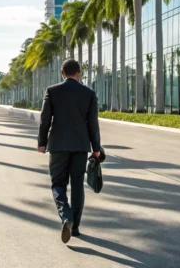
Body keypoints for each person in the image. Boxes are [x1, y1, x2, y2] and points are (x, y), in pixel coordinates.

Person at [38, 58, 102, 244]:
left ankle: (66, 216)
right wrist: (96, 148)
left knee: (58, 184)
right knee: (77, 185)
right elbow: (93, 124)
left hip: (58, 146)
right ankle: (75, 227)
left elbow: (45, 119)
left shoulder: (52, 91)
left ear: (62, 73)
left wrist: (42, 142)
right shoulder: (89, 93)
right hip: (80, 146)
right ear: (78, 74)